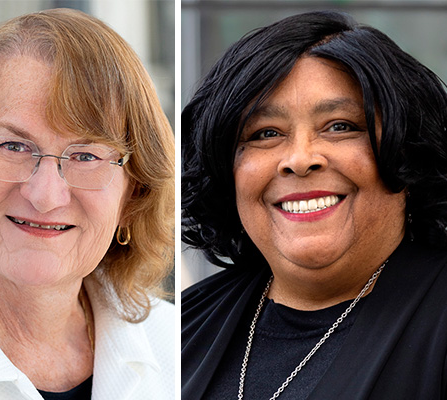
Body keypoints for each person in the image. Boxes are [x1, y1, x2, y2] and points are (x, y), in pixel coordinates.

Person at [0, 8, 175, 400]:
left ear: (133, 193)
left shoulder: (174, 343)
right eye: (14, 146)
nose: (46, 195)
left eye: (86, 156)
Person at [182, 10, 447, 399]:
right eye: (265, 133)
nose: (300, 158)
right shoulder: (182, 324)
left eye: (340, 126)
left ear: (408, 150)